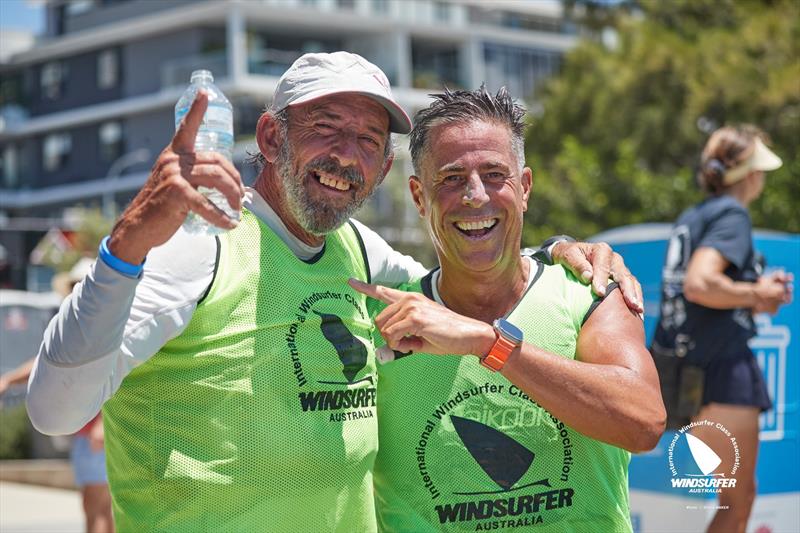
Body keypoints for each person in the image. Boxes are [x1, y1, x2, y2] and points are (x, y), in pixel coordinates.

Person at [27, 52, 641, 531]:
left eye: (369, 141)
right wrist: (127, 242)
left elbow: (475, 268)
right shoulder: (197, 246)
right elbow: (54, 410)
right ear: (271, 139)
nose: (347, 156)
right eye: (326, 128)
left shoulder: (362, 254)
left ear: (382, 170)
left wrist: (564, 251)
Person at [349, 86, 665, 532]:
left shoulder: (587, 291)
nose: (475, 196)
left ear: (525, 187)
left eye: (495, 174)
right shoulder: (381, 318)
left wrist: (490, 344)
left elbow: (644, 422)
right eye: (452, 178)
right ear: (419, 197)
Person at [651, 125, 792, 533]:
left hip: (687, 376)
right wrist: (756, 292)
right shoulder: (732, 214)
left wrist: (753, 296)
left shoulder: (694, 215)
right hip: (722, 374)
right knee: (738, 501)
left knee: (730, 499)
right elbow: (700, 283)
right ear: (750, 174)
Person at [0, 258, 114, 533]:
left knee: (99, 507)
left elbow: (116, 371)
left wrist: (101, 426)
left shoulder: (101, 327)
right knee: (95, 507)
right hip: (87, 432)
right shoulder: (83, 326)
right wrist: (9, 380)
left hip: (99, 433)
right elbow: (44, 361)